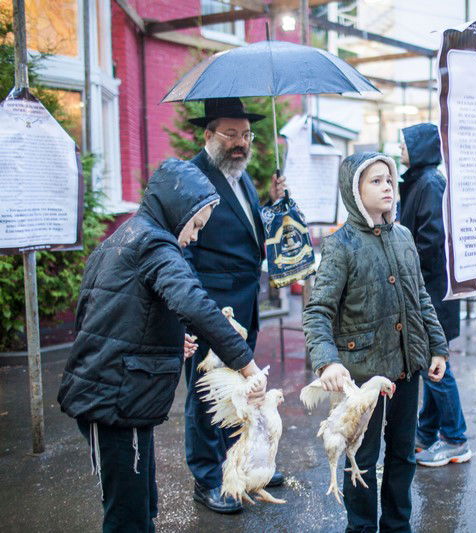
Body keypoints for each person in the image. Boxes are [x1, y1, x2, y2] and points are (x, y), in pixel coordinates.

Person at [57, 159, 268, 533]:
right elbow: (192, 301)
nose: (196, 236)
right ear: (179, 209)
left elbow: (116, 314)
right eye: (197, 224)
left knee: (142, 505)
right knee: (129, 518)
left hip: (113, 394)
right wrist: (246, 364)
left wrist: (171, 340)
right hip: (116, 401)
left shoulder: (125, 236)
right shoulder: (156, 243)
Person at [303, 152, 448, 532]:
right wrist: (326, 361)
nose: (388, 186)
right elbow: (318, 310)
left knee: (403, 453)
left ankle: (398, 525)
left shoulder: (403, 237)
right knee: (361, 458)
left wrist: (437, 346)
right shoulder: (341, 245)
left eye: (390, 179)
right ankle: (362, 527)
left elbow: (421, 297)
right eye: (376, 181)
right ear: (354, 191)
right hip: (361, 376)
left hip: (405, 367)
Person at [183, 97, 286, 514]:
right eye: (230, 134)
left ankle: (236, 465)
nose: (240, 142)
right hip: (212, 306)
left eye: (246, 134)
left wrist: (271, 202)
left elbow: (243, 229)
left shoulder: (239, 176)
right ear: (208, 135)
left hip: (245, 302)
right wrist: (191, 310)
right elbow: (183, 248)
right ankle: (207, 478)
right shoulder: (192, 177)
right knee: (207, 395)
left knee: (239, 392)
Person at [398, 123, 472, 467]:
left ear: (420, 147)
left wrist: (408, 273)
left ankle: (456, 439)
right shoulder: (420, 180)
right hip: (428, 288)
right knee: (431, 360)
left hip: (430, 290)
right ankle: (426, 434)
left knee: (435, 364)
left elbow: (431, 239)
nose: (400, 148)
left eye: (405, 143)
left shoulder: (428, 183)